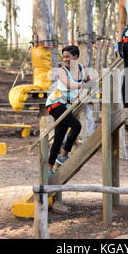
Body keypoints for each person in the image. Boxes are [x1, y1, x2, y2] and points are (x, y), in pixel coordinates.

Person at [45, 45, 89, 176]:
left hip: (66, 106)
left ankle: (48, 168)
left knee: (58, 137)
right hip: (55, 104)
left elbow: (87, 80)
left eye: (68, 56)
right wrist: (81, 85)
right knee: (76, 126)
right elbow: (68, 84)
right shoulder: (61, 71)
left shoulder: (81, 69)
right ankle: (63, 156)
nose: (65, 59)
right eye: (64, 56)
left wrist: (94, 82)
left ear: (75, 57)